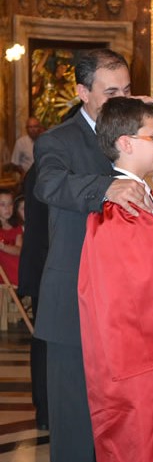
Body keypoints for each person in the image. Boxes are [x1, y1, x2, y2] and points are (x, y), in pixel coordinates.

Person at [33, 48, 151, 462]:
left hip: (125, 310)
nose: (124, 98)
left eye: (128, 89)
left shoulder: (134, 133)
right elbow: (49, 183)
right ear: (83, 93)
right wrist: (108, 188)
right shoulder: (57, 141)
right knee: (75, 431)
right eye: (111, 91)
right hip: (72, 310)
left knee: (122, 427)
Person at [78, 97, 153, 462]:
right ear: (126, 143)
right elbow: (141, 294)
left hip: (149, 358)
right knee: (145, 460)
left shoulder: (141, 198)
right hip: (141, 363)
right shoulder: (121, 211)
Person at [18, 163, 49, 430]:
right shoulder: (50, 164)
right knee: (45, 341)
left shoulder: (42, 163)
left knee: (43, 340)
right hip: (46, 266)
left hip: (43, 265)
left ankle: (46, 410)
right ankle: (46, 410)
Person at [0, 188, 23, 285]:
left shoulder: (16, 227)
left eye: (10, 204)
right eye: (2, 205)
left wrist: (3, 247)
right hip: (3, 282)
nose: (7, 208)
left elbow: (19, 250)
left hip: (16, 279)